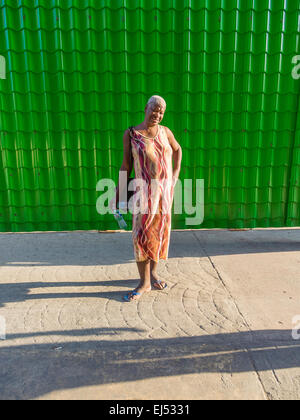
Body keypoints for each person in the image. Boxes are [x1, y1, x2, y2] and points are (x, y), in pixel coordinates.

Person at [111, 95, 182, 302]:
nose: (158, 115)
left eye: (161, 112)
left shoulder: (166, 132)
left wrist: (175, 174)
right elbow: (126, 166)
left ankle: (153, 274)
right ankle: (144, 282)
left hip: (164, 195)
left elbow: (177, 149)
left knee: (158, 235)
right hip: (143, 193)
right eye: (155, 110)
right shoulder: (132, 134)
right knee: (141, 235)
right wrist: (117, 194)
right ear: (146, 108)